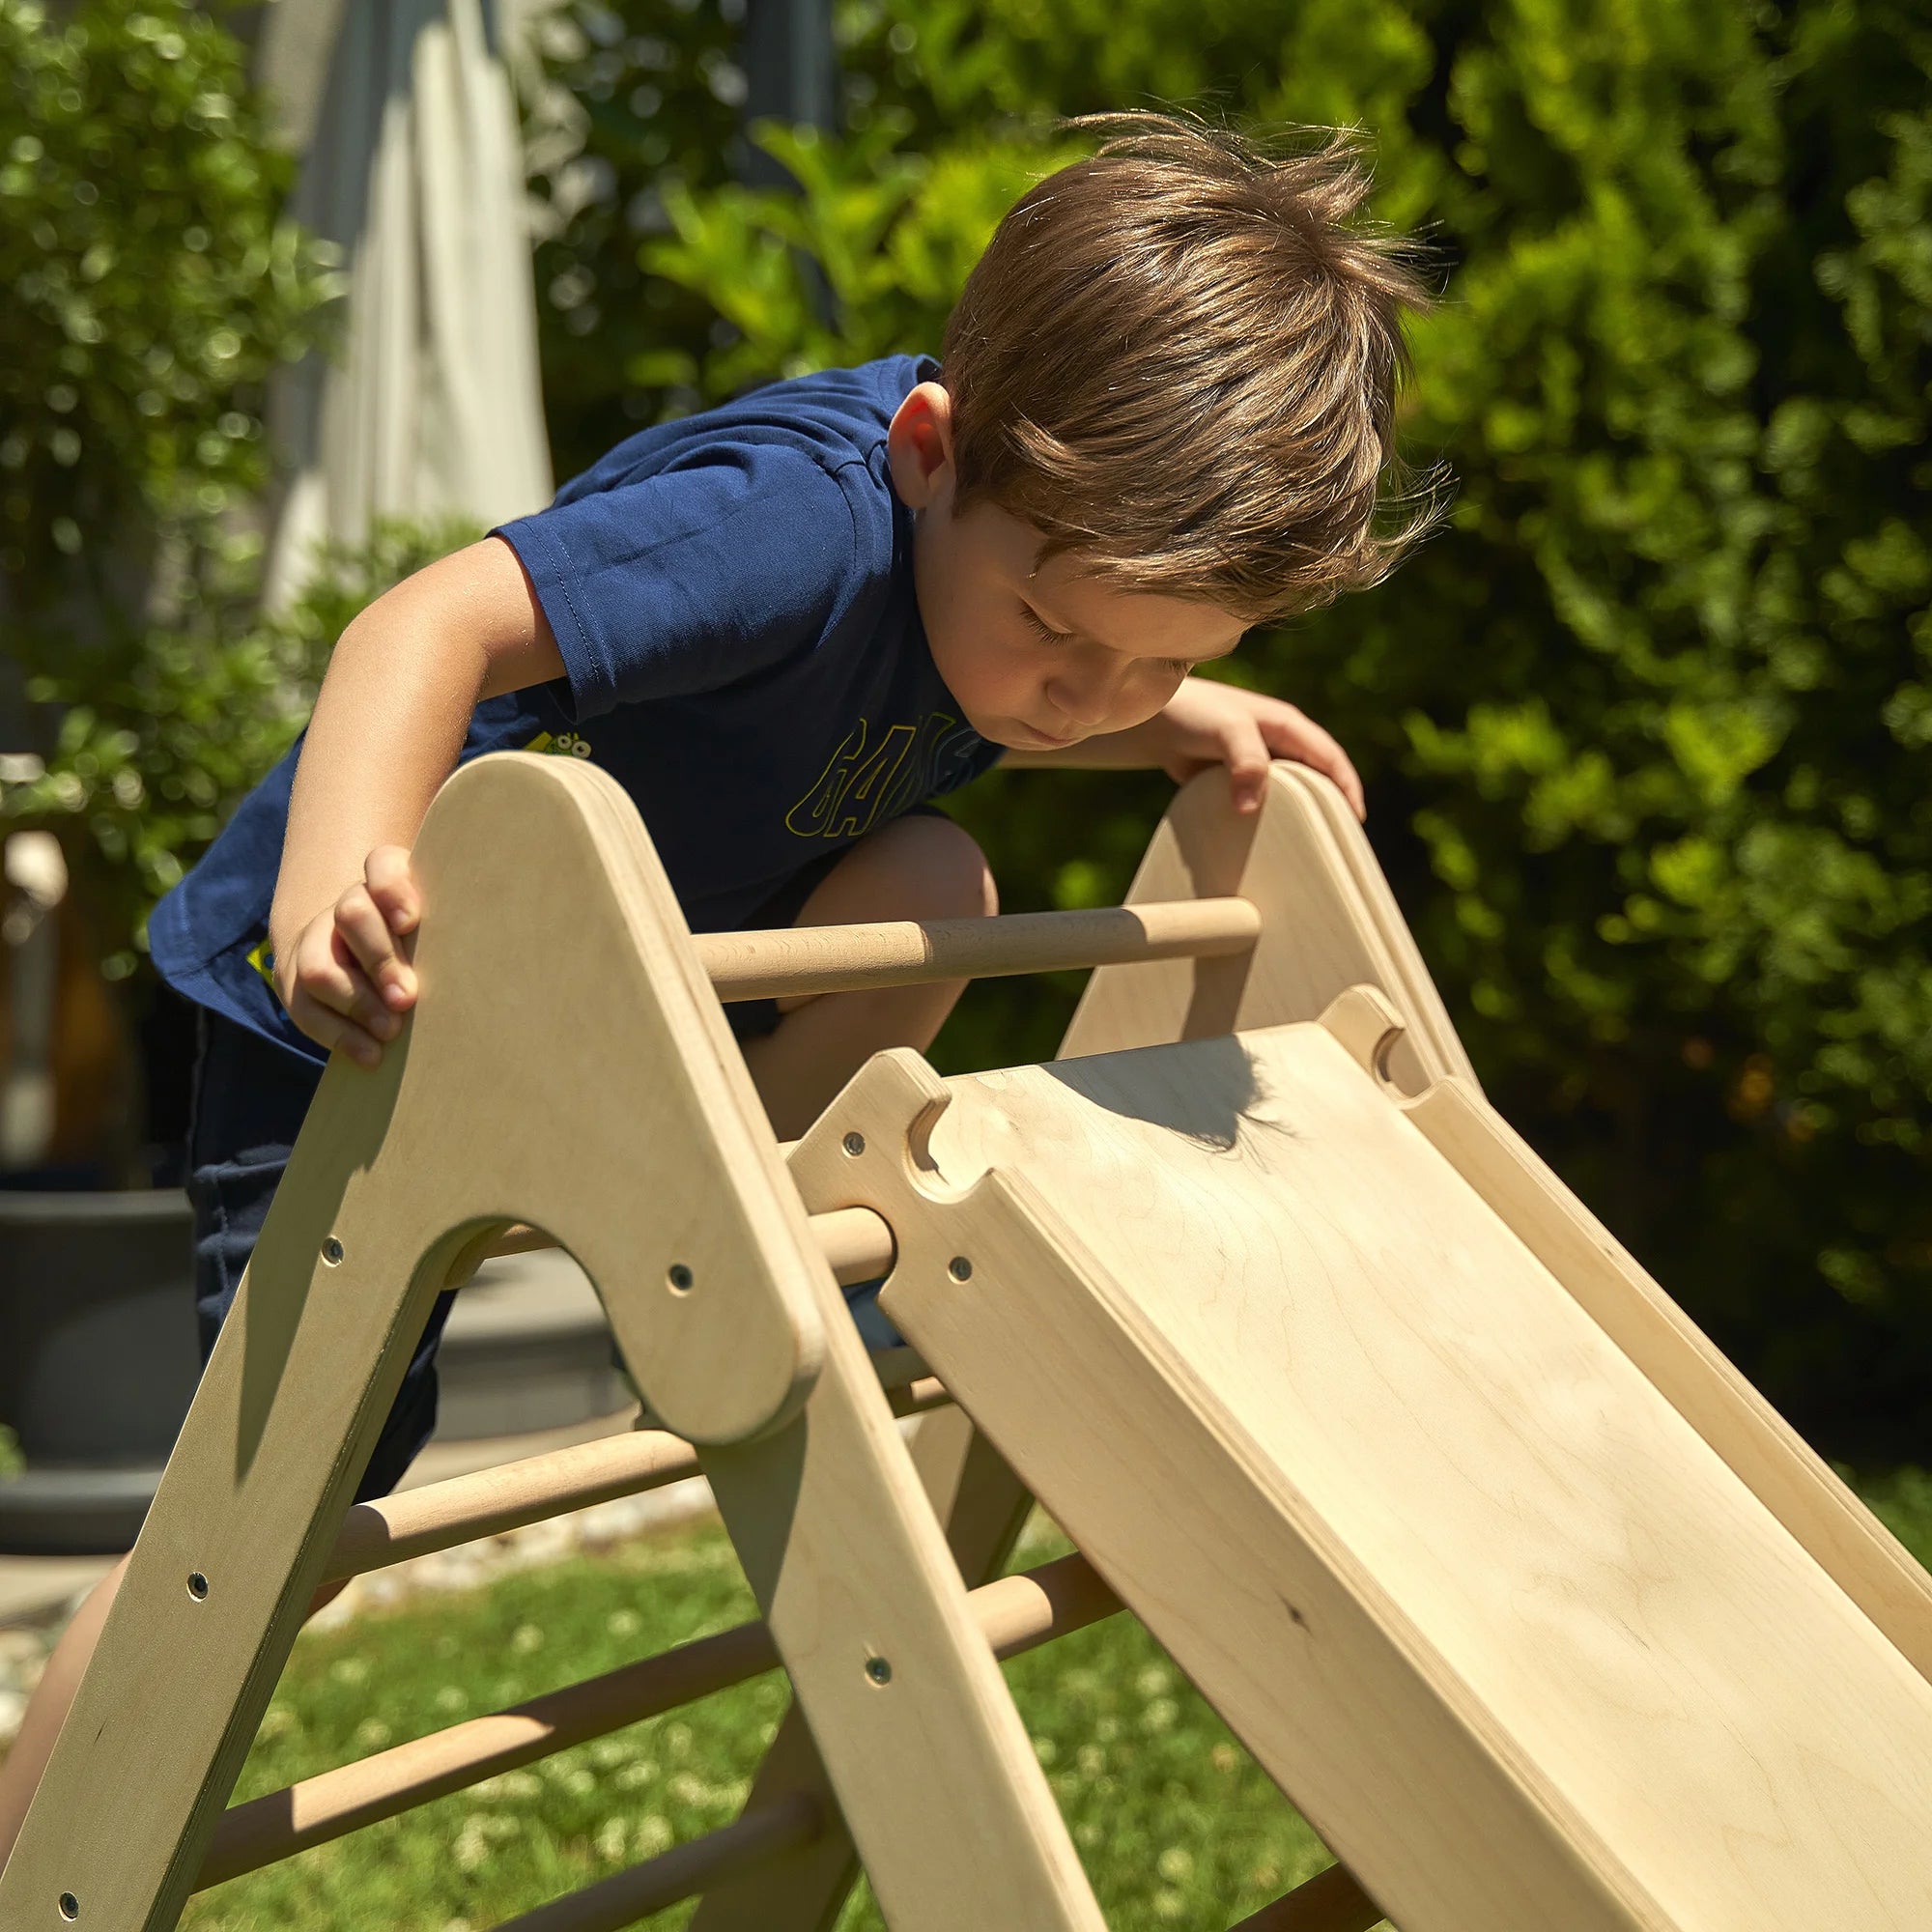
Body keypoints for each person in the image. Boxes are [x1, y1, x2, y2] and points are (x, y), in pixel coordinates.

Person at [0, 110, 1440, 1864]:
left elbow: (1034, 674)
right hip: (361, 1002)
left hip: (625, 981)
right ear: (930, 452)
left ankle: (700, 1218)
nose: (1082, 701)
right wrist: (334, 897)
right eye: (1063, 637)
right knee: (266, 1519)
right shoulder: (782, 530)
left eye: (1159, 661)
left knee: (936, 881)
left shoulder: (1012, 581)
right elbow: (419, 627)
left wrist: (1180, 720)